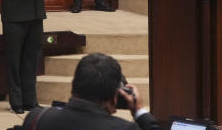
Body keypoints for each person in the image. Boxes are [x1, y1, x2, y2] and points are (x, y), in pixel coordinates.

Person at [22, 52, 161, 129]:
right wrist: (140, 112)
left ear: (73, 85)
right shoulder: (124, 128)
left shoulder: (38, 118)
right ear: (114, 96)